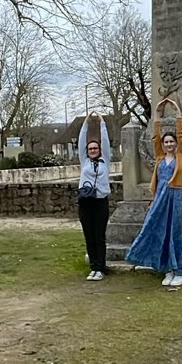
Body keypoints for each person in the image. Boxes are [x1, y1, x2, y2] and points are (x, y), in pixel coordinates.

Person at [126, 97, 182, 288]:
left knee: (177, 232)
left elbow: (181, 137)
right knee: (159, 231)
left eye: (171, 141)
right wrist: (156, 115)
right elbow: (155, 138)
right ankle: (167, 268)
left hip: (176, 197)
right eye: (166, 142)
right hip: (160, 198)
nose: (168, 144)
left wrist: (178, 114)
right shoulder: (159, 156)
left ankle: (180, 270)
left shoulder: (181, 156)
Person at [77, 111, 111, 281]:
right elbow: (81, 141)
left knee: (99, 235)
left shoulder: (105, 159)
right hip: (86, 202)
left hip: (100, 202)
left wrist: (102, 123)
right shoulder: (85, 161)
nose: (92, 150)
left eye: (95, 148)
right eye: (90, 148)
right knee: (89, 235)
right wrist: (85, 123)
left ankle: (101, 267)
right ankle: (93, 267)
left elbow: (105, 142)